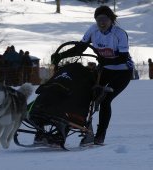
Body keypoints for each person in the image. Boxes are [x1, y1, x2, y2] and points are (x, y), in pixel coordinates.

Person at [51, 6, 133, 146]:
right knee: (82, 93)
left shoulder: (119, 34)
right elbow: (80, 48)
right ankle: (73, 127)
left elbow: (123, 58)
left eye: (105, 19)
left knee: (105, 99)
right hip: (105, 69)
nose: (101, 23)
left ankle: (100, 136)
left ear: (111, 20)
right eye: (98, 19)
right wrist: (61, 55)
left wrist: (104, 60)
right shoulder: (93, 30)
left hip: (122, 71)